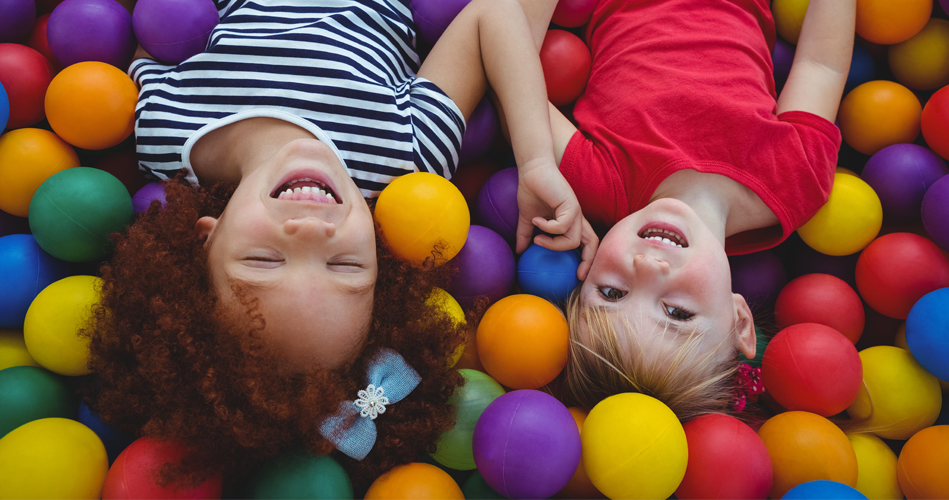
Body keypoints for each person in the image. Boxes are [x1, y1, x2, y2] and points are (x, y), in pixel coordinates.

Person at [83, 0, 595, 488]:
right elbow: (494, 13)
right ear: (378, 249)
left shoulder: (161, 133)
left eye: (264, 260)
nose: (311, 230)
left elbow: (158, 33)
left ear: (205, 238)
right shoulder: (405, 157)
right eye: (346, 265)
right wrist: (535, 162)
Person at [535, 0, 855, 419]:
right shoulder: (796, 184)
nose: (647, 266)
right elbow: (819, 66)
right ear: (740, 321)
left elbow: (521, 98)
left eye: (612, 293)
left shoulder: (600, 183)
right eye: (677, 313)